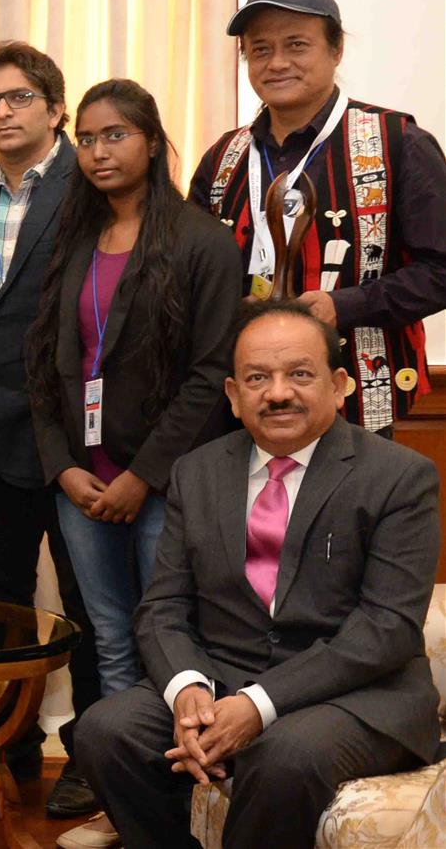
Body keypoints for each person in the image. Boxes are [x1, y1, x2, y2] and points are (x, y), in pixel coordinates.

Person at [75, 299, 439, 849]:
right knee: (105, 731)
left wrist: (257, 704)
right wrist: (187, 688)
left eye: (299, 374)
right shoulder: (196, 472)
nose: (277, 393)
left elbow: (385, 628)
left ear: (339, 384)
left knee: (284, 755)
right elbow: (163, 607)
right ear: (233, 395)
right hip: (223, 675)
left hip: (356, 695)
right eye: (257, 378)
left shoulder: (399, 477)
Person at [24, 78, 242, 848]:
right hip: (82, 484)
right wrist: (62, 467)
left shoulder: (200, 240)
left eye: (115, 134)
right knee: (111, 638)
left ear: (152, 141)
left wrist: (140, 475)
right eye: (86, 137)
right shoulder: (74, 240)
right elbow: (45, 364)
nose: (98, 150)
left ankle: (187, 803)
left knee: (171, 641)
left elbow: (210, 374)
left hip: (166, 485)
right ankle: (129, 803)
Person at [0, 40, 100, 818]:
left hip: (78, 439)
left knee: (90, 606)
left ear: (54, 107)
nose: (2, 113)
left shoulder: (92, 185)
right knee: (1, 601)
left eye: (18, 99)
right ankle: (2, 746)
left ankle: (92, 758)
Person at [191, 0, 446, 434]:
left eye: (296, 45)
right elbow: (190, 275)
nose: (277, 63)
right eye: (260, 49)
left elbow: (442, 270)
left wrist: (343, 305)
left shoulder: (398, 142)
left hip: (359, 397)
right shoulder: (223, 159)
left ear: (336, 51)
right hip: (245, 401)